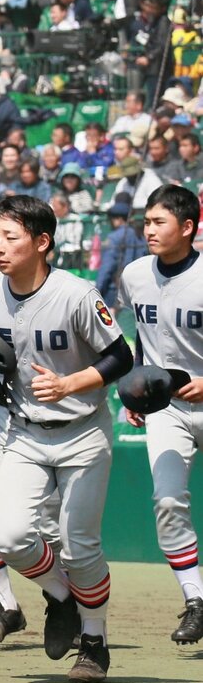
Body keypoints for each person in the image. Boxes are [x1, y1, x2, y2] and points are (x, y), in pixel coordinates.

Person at [0, 195, 132, 683]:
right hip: (24, 432)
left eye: (12, 237)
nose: (0, 247)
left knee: (81, 548)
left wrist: (72, 383)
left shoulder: (76, 294)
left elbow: (120, 357)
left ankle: (94, 643)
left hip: (83, 431)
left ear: (42, 242)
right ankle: (63, 599)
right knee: (10, 537)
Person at [120, 186, 203, 644]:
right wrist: (138, 389)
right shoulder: (134, 275)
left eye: (159, 222)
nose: (149, 230)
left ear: (188, 227)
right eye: (147, 222)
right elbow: (140, 337)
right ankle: (196, 600)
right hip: (169, 408)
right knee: (168, 500)